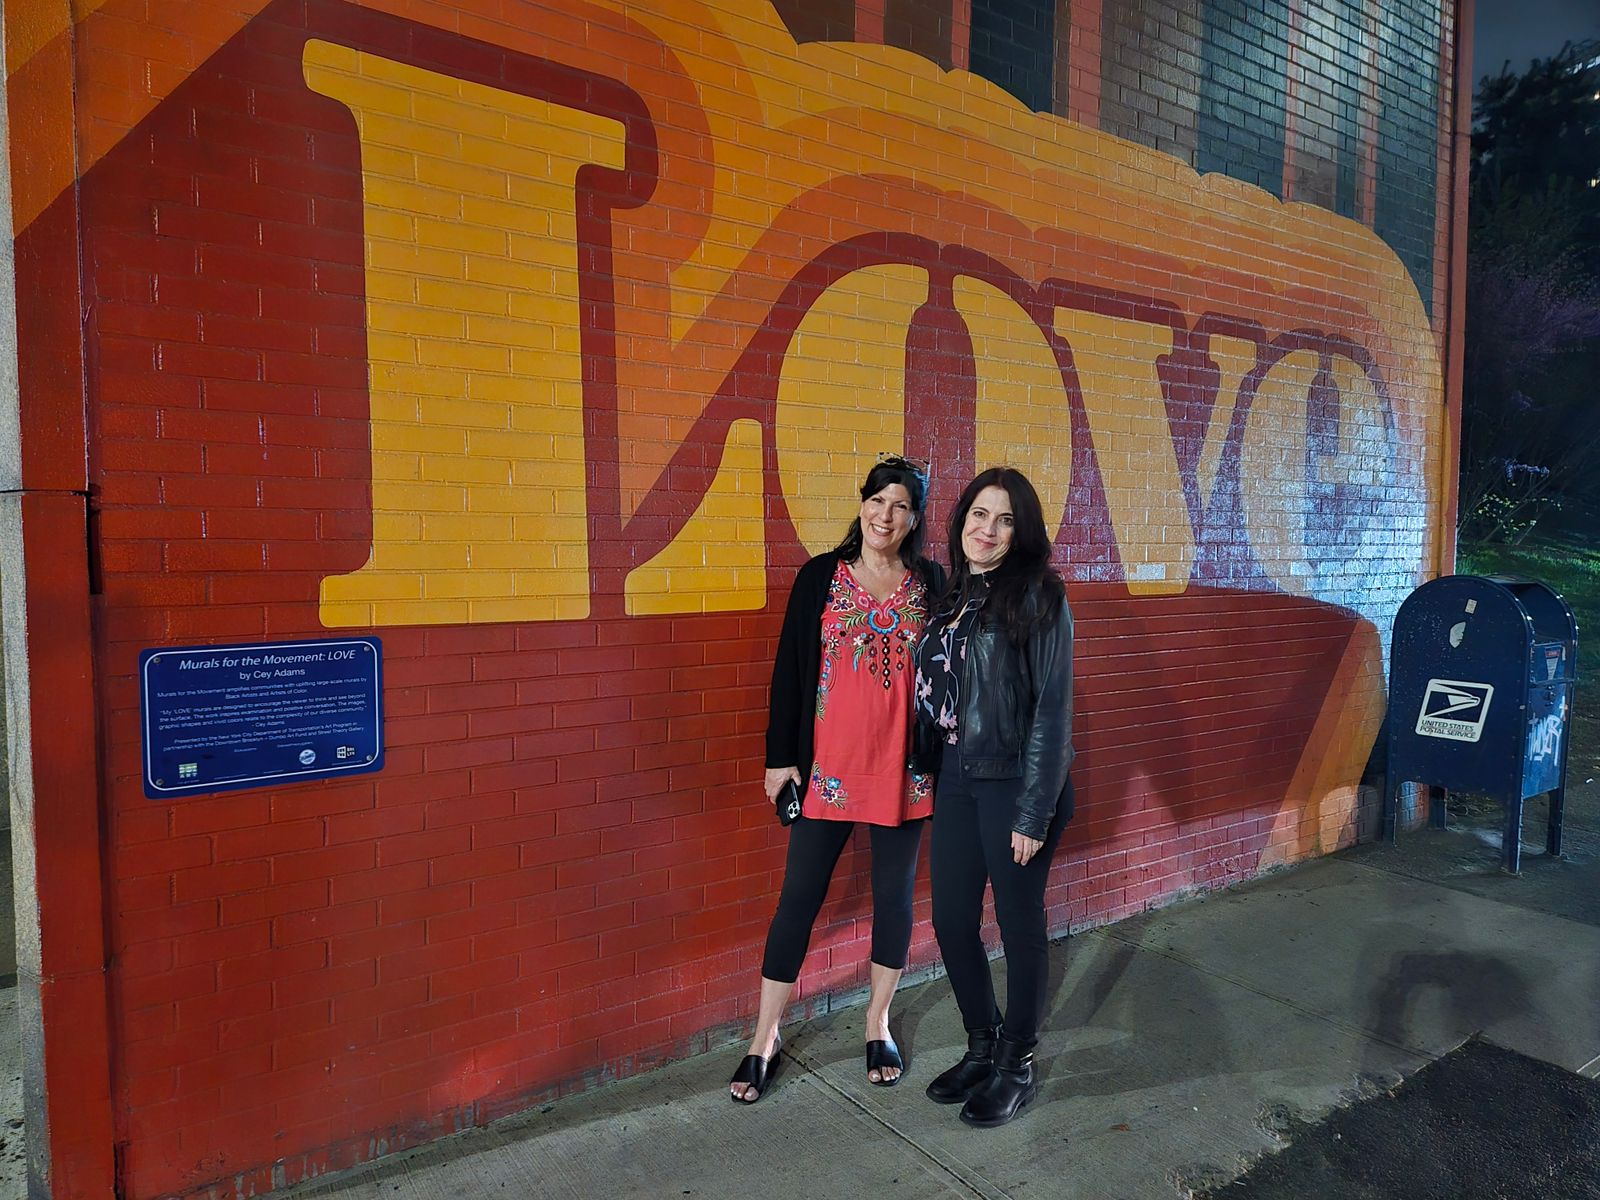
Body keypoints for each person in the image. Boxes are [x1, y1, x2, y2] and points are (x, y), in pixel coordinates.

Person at [730, 455, 945, 1103]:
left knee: (894, 900)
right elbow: (788, 673)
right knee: (798, 900)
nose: (886, 515)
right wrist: (779, 758)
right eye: (877, 500)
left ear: (915, 519)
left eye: (900, 505)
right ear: (862, 505)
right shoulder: (821, 576)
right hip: (827, 771)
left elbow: (948, 673)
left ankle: (877, 1022)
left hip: (904, 773)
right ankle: (764, 1035)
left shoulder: (932, 582)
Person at [911, 466, 1074, 1128]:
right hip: (957, 776)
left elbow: (1052, 711)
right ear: (962, 522)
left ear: (1021, 532)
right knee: (951, 920)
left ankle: (1017, 1064)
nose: (988, 529)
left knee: (1018, 922)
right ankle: (982, 1046)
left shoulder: (1040, 596)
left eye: (1005, 520)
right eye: (980, 514)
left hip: (1014, 781)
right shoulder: (952, 595)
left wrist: (1034, 811)